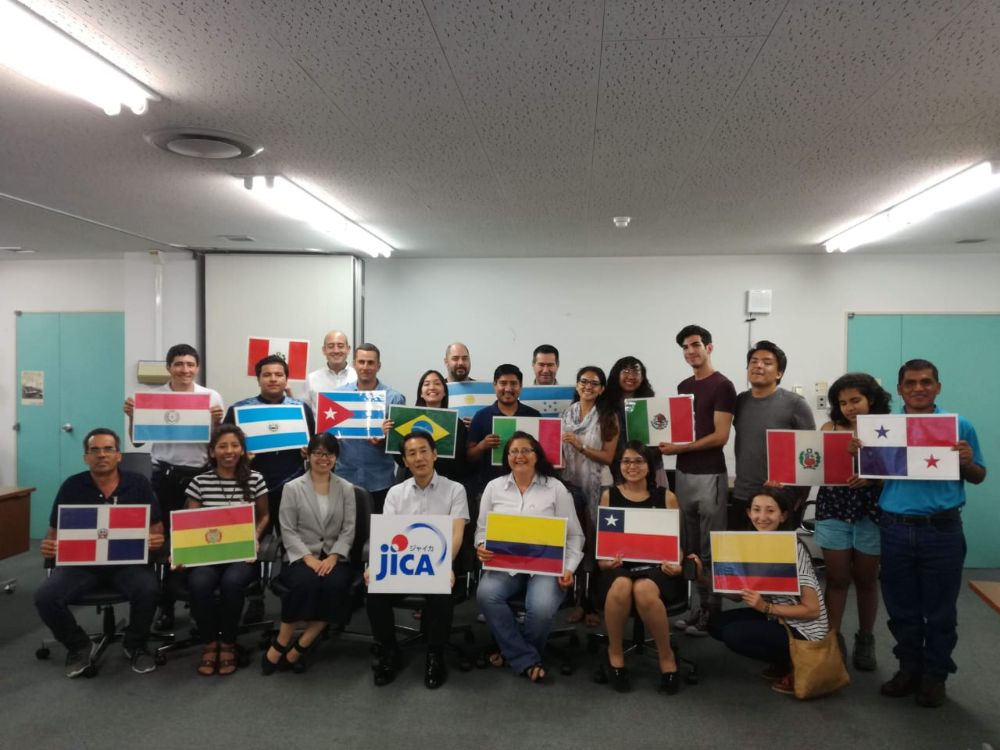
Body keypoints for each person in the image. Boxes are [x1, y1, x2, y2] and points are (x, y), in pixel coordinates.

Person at [873, 359, 985, 708]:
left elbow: (979, 475)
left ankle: (935, 675)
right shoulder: (883, 428)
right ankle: (909, 669)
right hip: (895, 528)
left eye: (926, 382)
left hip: (942, 530)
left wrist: (967, 462)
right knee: (901, 607)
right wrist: (859, 455)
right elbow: (873, 477)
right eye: (910, 383)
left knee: (940, 611)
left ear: (938, 386)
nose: (918, 388)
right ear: (899, 389)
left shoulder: (959, 425)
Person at [34, 428, 164, 677]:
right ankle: (78, 645)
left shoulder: (138, 484)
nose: (101, 455)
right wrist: (49, 545)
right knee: (45, 597)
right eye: (94, 450)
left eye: (108, 449)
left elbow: (156, 528)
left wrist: (156, 540)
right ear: (86, 457)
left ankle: (135, 644)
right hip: (82, 565)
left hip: (127, 563)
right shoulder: (72, 486)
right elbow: (54, 532)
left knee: (148, 589)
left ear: (118, 455)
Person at [123, 343, 224, 630]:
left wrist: (217, 423)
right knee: (165, 542)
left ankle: (197, 604)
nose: (185, 369)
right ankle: (165, 606)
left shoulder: (211, 396)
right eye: (178, 364)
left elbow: (219, 442)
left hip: (201, 477)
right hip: (165, 477)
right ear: (169, 367)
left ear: (197, 368)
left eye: (190, 364)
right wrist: (133, 417)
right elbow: (138, 442)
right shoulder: (153, 397)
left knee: (198, 542)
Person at [475, 432, 584, 683]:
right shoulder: (494, 487)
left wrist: (569, 568)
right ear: (507, 457)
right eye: (514, 451)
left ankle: (513, 653)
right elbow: (482, 530)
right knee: (486, 594)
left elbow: (575, 536)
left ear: (537, 456)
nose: (519, 456)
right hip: (506, 565)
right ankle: (526, 658)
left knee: (541, 606)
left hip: (546, 567)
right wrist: (481, 545)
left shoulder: (555, 488)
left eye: (526, 450)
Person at [366, 432, 469, 689]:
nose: (419, 458)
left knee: (441, 592)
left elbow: (457, 533)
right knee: (374, 592)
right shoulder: (395, 493)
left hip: (439, 563)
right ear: (405, 461)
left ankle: (435, 654)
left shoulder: (455, 489)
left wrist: (445, 566)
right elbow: (388, 535)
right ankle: (389, 651)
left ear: (435, 454)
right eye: (411, 453)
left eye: (424, 451)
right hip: (402, 564)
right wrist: (375, 565)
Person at [707, 488, 829, 696]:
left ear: (783, 516)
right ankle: (782, 658)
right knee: (716, 624)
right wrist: (703, 577)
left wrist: (766, 607)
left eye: (770, 511)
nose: (762, 517)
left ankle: (796, 663)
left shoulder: (793, 548)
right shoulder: (752, 543)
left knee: (733, 634)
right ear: (748, 513)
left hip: (803, 628)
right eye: (756, 510)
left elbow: (812, 610)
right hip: (776, 617)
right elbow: (736, 596)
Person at [660, 325, 737, 637]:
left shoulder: (723, 386)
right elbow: (678, 429)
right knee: (689, 545)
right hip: (684, 474)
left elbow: (720, 436)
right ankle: (696, 608)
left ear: (709, 347)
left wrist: (680, 448)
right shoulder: (684, 386)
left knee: (710, 548)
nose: (691, 351)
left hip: (710, 474)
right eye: (685, 347)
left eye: (696, 345)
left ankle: (712, 613)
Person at [814, 372, 891, 671]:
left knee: (867, 579)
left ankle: (866, 638)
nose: (849, 407)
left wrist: (872, 478)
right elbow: (816, 468)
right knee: (836, 579)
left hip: (871, 510)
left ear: (871, 399)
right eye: (843, 402)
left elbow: (899, 475)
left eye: (855, 400)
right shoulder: (829, 428)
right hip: (834, 508)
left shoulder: (888, 429)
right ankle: (832, 640)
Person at [262, 433, 356, 675]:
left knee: (334, 585)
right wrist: (308, 558)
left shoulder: (346, 488)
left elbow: (348, 529)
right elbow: (287, 529)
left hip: (335, 557)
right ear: (308, 455)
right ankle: (282, 641)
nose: (324, 458)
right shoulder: (292, 488)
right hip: (301, 556)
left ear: (336, 458)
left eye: (329, 454)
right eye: (318, 453)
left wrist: (334, 556)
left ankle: (301, 646)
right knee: (305, 583)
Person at [595, 442, 683, 694]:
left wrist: (677, 564)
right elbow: (603, 544)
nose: (632, 466)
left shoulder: (666, 497)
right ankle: (615, 653)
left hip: (657, 569)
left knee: (643, 589)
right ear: (619, 466)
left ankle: (666, 656)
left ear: (650, 466)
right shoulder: (609, 496)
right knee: (622, 585)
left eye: (638, 461)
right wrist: (604, 562)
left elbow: (678, 543)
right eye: (626, 461)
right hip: (618, 567)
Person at [182, 425, 270, 676]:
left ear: (242, 450)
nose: (229, 451)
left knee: (232, 583)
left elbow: (264, 516)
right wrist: (182, 552)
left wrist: (254, 536)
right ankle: (210, 643)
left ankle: (229, 643)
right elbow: (189, 523)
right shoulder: (199, 482)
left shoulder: (255, 479)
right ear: (212, 452)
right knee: (199, 583)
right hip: (207, 554)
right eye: (222, 446)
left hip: (240, 554)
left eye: (234, 445)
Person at [732, 340, 814, 526]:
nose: (758, 365)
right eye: (753, 361)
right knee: (742, 545)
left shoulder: (796, 404)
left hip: (780, 498)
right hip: (743, 494)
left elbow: (810, 453)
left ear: (779, 373)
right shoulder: (740, 401)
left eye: (767, 362)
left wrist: (799, 498)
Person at [560, 365, 619, 626]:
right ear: (577, 385)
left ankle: (593, 604)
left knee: (596, 546)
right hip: (570, 486)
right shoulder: (567, 414)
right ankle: (577, 601)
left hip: (599, 488)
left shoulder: (608, 416)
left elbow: (608, 457)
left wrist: (580, 445)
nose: (588, 386)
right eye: (584, 381)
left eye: (594, 383)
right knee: (575, 543)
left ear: (602, 389)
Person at [333, 343, 405, 513]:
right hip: (345, 479)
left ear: (378, 366)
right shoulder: (338, 396)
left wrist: (385, 440)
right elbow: (328, 438)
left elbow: (400, 445)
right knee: (347, 529)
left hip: (380, 481)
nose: (365, 367)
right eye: (361, 362)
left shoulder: (395, 398)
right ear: (354, 364)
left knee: (378, 529)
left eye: (371, 363)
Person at [384, 369, 471, 484]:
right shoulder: (406, 420)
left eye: (437, 383)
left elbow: (460, 462)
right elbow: (401, 461)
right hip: (413, 482)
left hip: (445, 483)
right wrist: (389, 435)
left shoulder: (456, 423)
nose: (432, 387)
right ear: (421, 393)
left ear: (444, 392)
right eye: (426, 384)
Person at [467, 364, 540, 496]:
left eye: (513, 383)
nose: (508, 388)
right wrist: (482, 446)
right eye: (503, 383)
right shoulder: (481, 416)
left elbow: (541, 455)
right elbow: (468, 456)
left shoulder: (534, 416)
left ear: (520, 386)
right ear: (494, 385)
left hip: (529, 488)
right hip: (490, 488)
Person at [301, 330, 357, 408]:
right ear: (324, 350)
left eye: (340, 346)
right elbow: (305, 410)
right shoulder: (311, 379)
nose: (336, 351)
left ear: (348, 349)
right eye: (331, 346)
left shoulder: (357, 377)